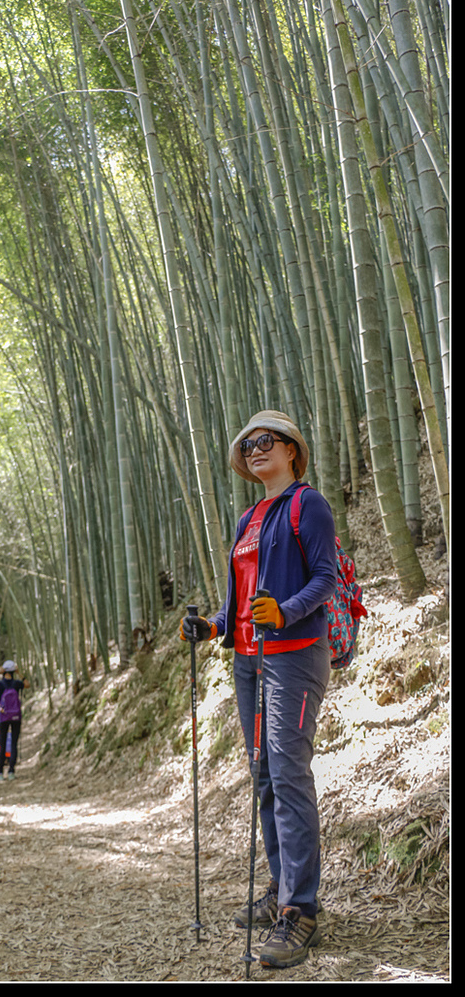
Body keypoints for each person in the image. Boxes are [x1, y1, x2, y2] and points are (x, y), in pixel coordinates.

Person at [180, 410, 337, 969]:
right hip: (249, 661)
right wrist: (213, 627)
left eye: (265, 440)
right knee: (266, 776)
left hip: (293, 657)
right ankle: (280, 885)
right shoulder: (248, 518)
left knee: (289, 775)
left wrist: (285, 611)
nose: (255, 450)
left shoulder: (307, 504)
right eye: (247, 446)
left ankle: (300, 909)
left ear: (292, 449)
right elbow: (237, 601)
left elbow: (325, 578)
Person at [0, 661, 30, 781]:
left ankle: (0, 773)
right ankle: (11, 771)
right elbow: (27, 684)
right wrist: (19, 673)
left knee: (2, 744)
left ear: (4, 671)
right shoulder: (16, 683)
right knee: (14, 744)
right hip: (16, 717)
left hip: (3, 717)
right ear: (13, 671)